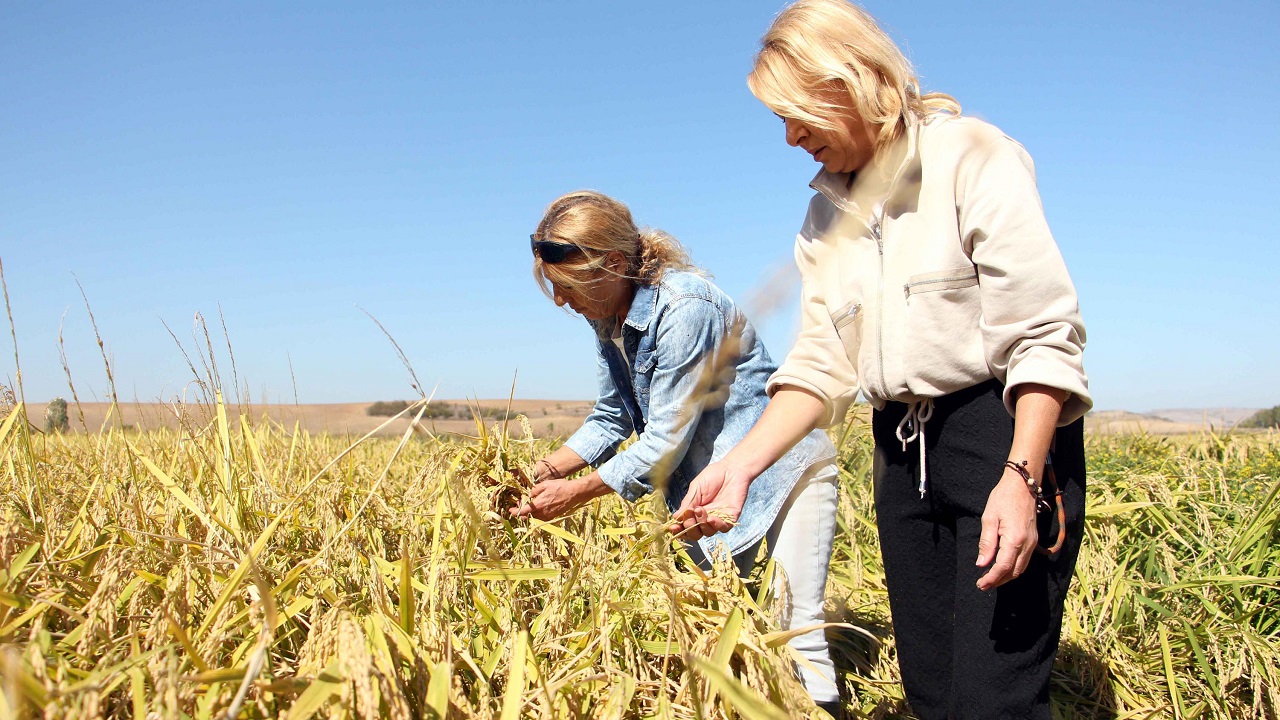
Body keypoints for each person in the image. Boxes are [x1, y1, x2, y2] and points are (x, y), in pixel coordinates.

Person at [669, 2, 1092, 718]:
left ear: (851, 82)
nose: (790, 136)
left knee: (995, 703)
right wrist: (737, 467)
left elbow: (1043, 334)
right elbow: (820, 365)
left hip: (1002, 435)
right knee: (931, 695)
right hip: (900, 455)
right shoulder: (823, 216)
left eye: (798, 112)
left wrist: (1022, 476)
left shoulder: (973, 157)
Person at [513, 190, 843, 712]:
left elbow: (665, 439)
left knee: (794, 634)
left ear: (614, 264)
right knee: (739, 642)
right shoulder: (611, 319)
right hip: (715, 501)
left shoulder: (686, 309)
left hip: (782, 484)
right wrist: (536, 472)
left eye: (567, 285)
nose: (561, 300)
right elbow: (612, 415)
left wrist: (576, 492)